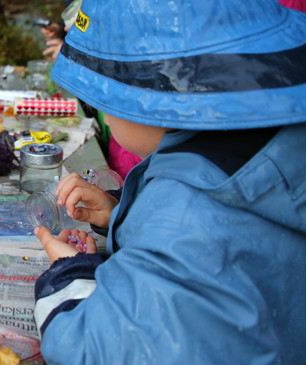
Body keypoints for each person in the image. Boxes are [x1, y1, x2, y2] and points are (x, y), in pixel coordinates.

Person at [31, 0, 306, 363]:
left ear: (160, 97)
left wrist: (69, 273)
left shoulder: (183, 218)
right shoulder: (266, 143)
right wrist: (120, 217)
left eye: (108, 102)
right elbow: (239, 242)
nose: (107, 120)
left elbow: (95, 349)